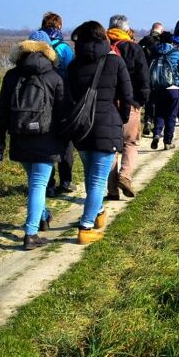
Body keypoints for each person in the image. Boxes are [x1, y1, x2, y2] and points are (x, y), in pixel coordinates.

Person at [0, 32, 68, 250]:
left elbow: (2, 112)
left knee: (34, 182)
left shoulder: (11, 76)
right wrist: (65, 139)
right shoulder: (55, 76)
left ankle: (43, 216)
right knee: (38, 184)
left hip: (19, 136)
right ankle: (31, 233)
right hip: (47, 138)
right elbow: (63, 111)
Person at [66, 21, 133, 245]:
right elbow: (127, 94)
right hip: (107, 122)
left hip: (82, 128)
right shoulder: (114, 61)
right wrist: (121, 118)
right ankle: (85, 227)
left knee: (90, 175)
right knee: (97, 181)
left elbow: (68, 96)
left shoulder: (74, 65)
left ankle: (99, 212)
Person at [106, 15, 149, 200]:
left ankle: (112, 190)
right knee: (130, 142)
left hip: (107, 104)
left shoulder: (103, 47)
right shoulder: (134, 48)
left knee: (110, 148)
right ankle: (125, 176)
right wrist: (141, 101)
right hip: (130, 102)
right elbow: (143, 78)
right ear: (126, 29)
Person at [39, 12, 76, 197]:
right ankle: (66, 181)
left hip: (40, 101)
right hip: (62, 99)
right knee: (65, 141)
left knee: (45, 140)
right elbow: (72, 72)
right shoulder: (64, 48)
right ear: (59, 27)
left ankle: (48, 183)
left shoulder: (36, 46)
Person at [149, 31, 179, 150]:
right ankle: (168, 142)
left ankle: (157, 133)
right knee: (171, 115)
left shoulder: (154, 51)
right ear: (171, 41)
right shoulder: (176, 53)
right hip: (173, 87)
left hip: (158, 87)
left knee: (159, 112)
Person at [139, 22, 163, 137]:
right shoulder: (161, 42)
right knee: (158, 101)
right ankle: (157, 127)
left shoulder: (143, 41)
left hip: (145, 75)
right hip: (158, 75)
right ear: (160, 31)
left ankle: (147, 122)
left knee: (148, 101)